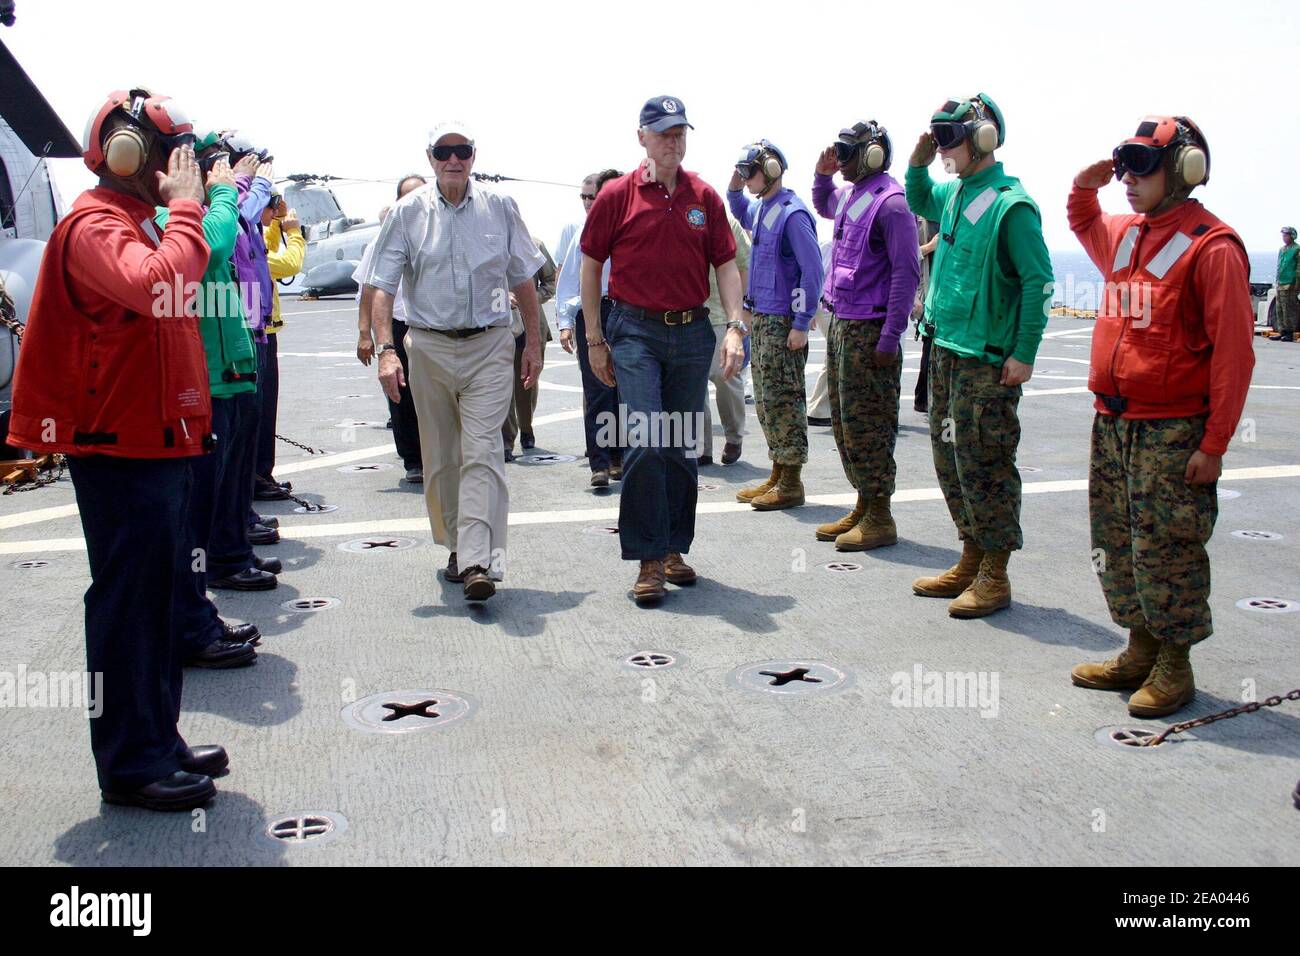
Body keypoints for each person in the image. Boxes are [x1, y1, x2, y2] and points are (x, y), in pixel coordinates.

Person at [9, 89, 226, 810]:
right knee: (130, 605)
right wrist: (191, 209)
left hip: (156, 444)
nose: (180, 168)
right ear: (129, 153)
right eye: (171, 153)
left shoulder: (135, 222)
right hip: (119, 450)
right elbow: (159, 285)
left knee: (159, 601)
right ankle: (131, 764)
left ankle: (157, 739)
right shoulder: (95, 225)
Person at [1068, 116, 1255, 717]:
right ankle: (1139, 646)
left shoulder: (1212, 247)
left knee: (1168, 546)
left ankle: (1175, 663)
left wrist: (1215, 442)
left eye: (1142, 165)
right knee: (1117, 540)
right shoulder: (1128, 235)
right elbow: (1083, 221)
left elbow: (1233, 353)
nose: (1128, 178)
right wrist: (1084, 184)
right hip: (1115, 421)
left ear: (1185, 170)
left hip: (1173, 429)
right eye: (1125, 164)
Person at [365, 122, 545, 601]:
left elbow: (523, 275)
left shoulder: (500, 207)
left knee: (484, 450)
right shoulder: (406, 214)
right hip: (429, 346)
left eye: (461, 151)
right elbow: (382, 285)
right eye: (444, 152)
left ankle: (478, 560)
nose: (453, 159)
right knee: (442, 457)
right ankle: (457, 545)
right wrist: (385, 350)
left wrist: (533, 342)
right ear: (430, 158)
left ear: (473, 156)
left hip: (489, 343)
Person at [580, 94, 745, 606]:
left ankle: (674, 548)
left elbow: (726, 265)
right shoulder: (616, 195)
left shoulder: (705, 197)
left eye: (681, 133)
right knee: (648, 440)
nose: (674, 141)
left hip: (692, 331)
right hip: (635, 331)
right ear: (642, 137)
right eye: (664, 132)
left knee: (679, 446)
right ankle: (648, 560)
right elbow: (590, 266)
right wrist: (595, 339)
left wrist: (736, 326)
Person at [905, 94, 1053, 617]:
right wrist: (920, 157)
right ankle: (970, 555)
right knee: (952, 463)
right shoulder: (957, 194)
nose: (945, 149)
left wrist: (1024, 353)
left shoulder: (1012, 205)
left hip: (987, 361)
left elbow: (1038, 283)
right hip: (945, 347)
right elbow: (917, 195)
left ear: (983, 139)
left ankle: (996, 573)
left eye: (952, 139)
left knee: (986, 464)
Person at [160, 129, 262, 669]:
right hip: (202, 385)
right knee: (192, 517)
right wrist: (223, 193)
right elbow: (216, 245)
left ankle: (199, 614)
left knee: (211, 502)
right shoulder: (166, 219)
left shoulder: (192, 218)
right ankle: (192, 623)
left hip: (226, 374)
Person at [810, 121, 919, 548]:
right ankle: (864, 502)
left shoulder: (891, 204)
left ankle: (880, 515)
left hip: (869, 328)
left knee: (870, 423)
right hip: (842, 323)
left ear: (871, 155)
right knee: (845, 423)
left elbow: (906, 273)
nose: (840, 161)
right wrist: (820, 175)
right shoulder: (856, 195)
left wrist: (890, 338)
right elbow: (825, 205)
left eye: (846, 153)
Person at [726, 140, 824, 509]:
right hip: (765, 318)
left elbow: (812, 272)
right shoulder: (766, 209)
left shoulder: (792, 214)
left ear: (769, 170)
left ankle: (792, 481)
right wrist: (735, 181)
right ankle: (778, 472)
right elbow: (737, 205)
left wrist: (801, 323)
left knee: (785, 401)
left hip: (784, 321)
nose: (746, 178)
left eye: (750, 171)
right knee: (767, 402)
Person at [355, 174, 427, 482]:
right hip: (397, 327)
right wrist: (364, 335)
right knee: (402, 395)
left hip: (433, 327)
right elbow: (368, 291)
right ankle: (414, 460)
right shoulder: (383, 240)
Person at [556, 169, 624, 486]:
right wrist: (566, 323)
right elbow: (569, 280)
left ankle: (618, 457)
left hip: (629, 312)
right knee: (597, 389)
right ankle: (598, 462)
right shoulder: (584, 229)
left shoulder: (636, 226)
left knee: (625, 389)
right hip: (594, 311)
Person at [257, 189, 307, 487]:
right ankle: (258, 476)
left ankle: (262, 473)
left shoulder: (250, 231)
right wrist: (295, 233)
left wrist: (275, 222)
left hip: (266, 328)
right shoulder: (243, 235)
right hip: (260, 331)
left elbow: (268, 247)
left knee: (264, 411)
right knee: (259, 413)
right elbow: (289, 264)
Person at [698, 213, 749, 466]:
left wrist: (739, 313)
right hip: (688, 313)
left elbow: (743, 264)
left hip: (720, 313)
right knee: (691, 383)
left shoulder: (726, 222)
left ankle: (734, 436)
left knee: (725, 376)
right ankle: (700, 447)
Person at [502, 239, 557, 459]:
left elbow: (550, 280)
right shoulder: (484, 241)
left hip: (531, 323)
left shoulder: (534, 244)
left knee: (527, 382)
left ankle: (526, 427)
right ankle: (506, 440)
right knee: (500, 383)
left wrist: (530, 298)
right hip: (497, 323)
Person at [912, 217, 939, 413]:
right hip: (925, 294)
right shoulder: (917, 222)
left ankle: (923, 398)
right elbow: (907, 255)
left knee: (930, 346)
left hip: (937, 295)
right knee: (929, 346)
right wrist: (930, 246)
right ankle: (922, 398)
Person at [1275, 226, 1299, 341]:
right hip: (1281, 282)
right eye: (1283, 235)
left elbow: (1298, 268)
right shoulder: (1282, 249)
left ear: (1292, 236)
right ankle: (1282, 330)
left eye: (1286, 235)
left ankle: (1290, 331)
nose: (1284, 238)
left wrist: (1297, 284)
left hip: (1291, 283)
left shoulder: (1297, 249)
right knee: (1279, 308)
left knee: (1289, 308)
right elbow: (1279, 266)